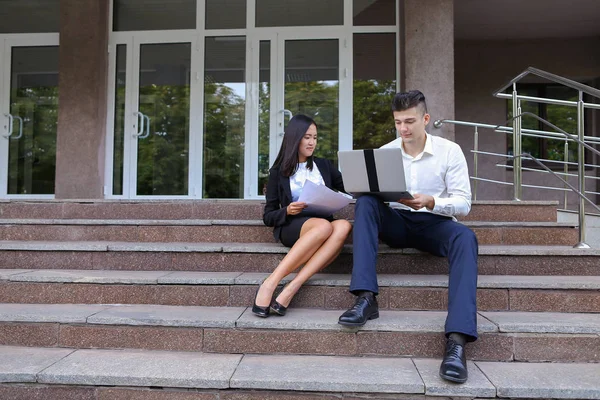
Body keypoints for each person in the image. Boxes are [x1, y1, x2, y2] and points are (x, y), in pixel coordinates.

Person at [338, 90, 478, 384]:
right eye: (398, 122)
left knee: (465, 238)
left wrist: (432, 202)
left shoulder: (450, 151)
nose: (403, 128)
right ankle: (365, 298)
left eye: (410, 121)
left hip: (435, 224)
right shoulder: (385, 151)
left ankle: (457, 341)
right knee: (364, 201)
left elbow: (464, 203)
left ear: (425, 119)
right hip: (398, 222)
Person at [254, 114, 352, 318]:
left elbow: (350, 188)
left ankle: (293, 286)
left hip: (321, 222)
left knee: (343, 225)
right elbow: (268, 216)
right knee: (324, 227)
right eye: (307, 137)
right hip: (293, 226)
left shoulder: (324, 166)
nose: (312, 142)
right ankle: (270, 283)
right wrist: (288, 210)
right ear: (295, 137)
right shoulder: (278, 172)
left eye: (315, 138)